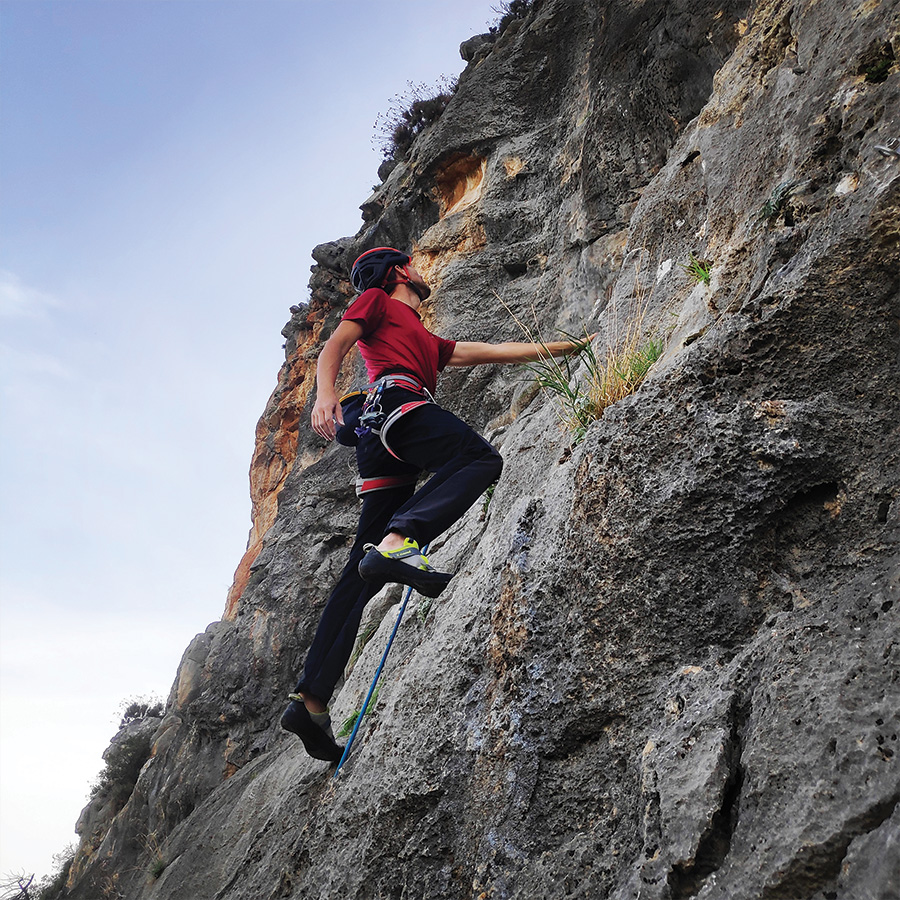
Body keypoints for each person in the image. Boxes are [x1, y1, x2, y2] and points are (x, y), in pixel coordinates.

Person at [281, 247, 588, 761]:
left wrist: (569, 346)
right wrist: (324, 395)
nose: (421, 270)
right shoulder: (377, 300)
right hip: (399, 407)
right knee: (480, 459)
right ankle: (402, 541)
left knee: (361, 570)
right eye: (414, 264)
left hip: (379, 441)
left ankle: (310, 699)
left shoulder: (425, 337)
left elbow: (490, 350)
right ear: (401, 271)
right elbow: (334, 344)